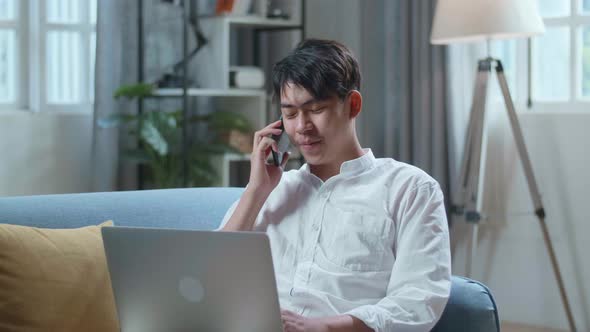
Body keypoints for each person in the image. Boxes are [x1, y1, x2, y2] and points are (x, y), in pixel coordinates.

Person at [218, 39, 451, 332]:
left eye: (315, 109)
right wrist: (255, 192)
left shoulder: (410, 189)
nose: (302, 126)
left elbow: (419, 301)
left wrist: (323, 327)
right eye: (290, 114)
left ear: (352, 105)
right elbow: (210, 280)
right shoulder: (269, 190)